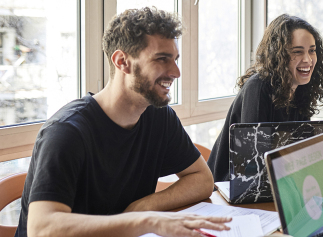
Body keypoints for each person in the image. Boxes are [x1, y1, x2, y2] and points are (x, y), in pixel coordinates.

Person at [15, 7, 232, 237]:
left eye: (175, 59)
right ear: (122, 61)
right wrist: (145, 221)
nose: (176, 72)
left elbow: (202, 180)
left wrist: (141, 209)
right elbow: (41, 229)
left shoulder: (158, 116)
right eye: (162, 59)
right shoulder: (66, 133)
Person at [208, 14, 323, 182]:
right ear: (277, 55)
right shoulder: (257, 88)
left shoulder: (300, 89)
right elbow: (253, 165)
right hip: (228, 189)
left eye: (312, 50)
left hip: (272, 186)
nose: (308, 60)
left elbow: (298, 157)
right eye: (297, 52)